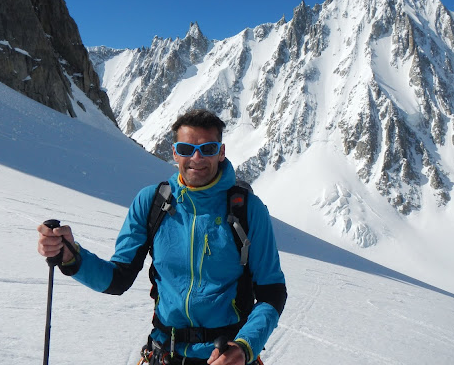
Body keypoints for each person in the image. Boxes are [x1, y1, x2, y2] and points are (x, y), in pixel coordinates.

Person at [37, 109, 286, 365]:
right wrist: (71, 257)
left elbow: (272, 291)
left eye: (208, 148)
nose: (197, 158)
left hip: (225, 354)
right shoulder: (153, 202)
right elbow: (118, 278)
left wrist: (245, 347)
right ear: (175, 152)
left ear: (221, 152)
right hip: (165, 351)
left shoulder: (247, 209)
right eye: (187, 149)